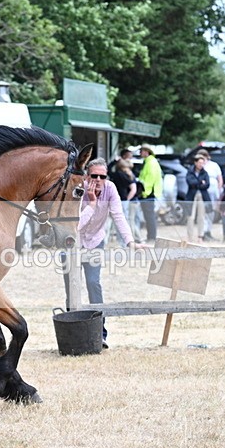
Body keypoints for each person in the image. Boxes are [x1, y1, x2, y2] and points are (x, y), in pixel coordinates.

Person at [76, 158, 139, 347]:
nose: (97, 179)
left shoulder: (110, 189)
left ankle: (100, 333)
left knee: (93, 283)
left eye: (101, 176)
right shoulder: (78, 189)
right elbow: (76, 225)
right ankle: (73, 332)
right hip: (73, 243)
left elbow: (119, 216)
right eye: (93, 175)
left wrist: (130, 241)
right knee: (72, 286)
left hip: (95, 241)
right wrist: (92, 205)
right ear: (87, 176)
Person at [137, 144, 162, 242]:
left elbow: (150, 179)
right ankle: (150, 236)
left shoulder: (151, 162)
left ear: (147, 151)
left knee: (149, 217)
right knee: (148, 217)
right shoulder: (148, 161)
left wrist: (145, 192)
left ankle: (152, 237)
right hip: (147, 193)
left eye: (142, 151)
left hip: (148, 194)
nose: (140, 153)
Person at [197, 150, 223, 241]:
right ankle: (203, 231)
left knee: (211, 212)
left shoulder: (214, 165)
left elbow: (220, 179)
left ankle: (208, 230)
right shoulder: (200, 166)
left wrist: (219, 191)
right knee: (203, 211)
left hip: (213, 190)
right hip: (204, 191)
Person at [185, 155, 212, 242]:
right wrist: (200, 182)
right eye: (199, 162)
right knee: (190, 217)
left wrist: (198, 183)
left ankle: (200, 236)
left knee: (201, 216)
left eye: (202, 163)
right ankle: (190, 236)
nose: (201, 165)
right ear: (195, 162)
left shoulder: (205, 173)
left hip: (202, 196)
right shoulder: (190, 172)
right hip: (192, 196)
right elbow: (190, 182)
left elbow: (207, 184)